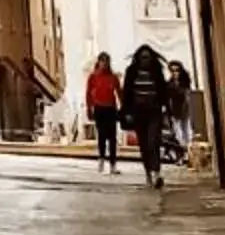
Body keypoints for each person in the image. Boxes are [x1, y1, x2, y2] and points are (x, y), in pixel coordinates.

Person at [123, 40, 171, 188]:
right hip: (138, 112)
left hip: (153, 111)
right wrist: (127, 112)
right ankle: (148, 174)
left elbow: (163, 91)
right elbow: (127, 93)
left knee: (153, 142)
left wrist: (166, 109)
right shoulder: (131, 72)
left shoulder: (157, 72)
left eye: (147, 57)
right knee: (144, 144)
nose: (145, 60)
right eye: (143, 57)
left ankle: (156, 172)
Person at [83, 51, 123, 171]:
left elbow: (119, 92)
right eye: (102, 61)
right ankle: (101, 158)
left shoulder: (113, 77)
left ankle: (113, 163)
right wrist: (89, 108)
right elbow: (88, 93)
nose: (104, 64)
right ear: (98, 62)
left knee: (112, 137)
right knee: (101, 135)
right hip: (99, 108)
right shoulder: (93, 77)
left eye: (106, 61)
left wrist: (123, 107)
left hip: (110, 108)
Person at [164, 60, 195, 164]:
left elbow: (187, 97)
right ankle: (181, 156)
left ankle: (188, 156)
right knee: (178, 136)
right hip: (175, 112)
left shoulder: (185, 83)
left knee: (187, 134)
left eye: (177, 70)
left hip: (185, 111)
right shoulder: (169, 84)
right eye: (172, 70)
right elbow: (167, 100)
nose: (175, 73)